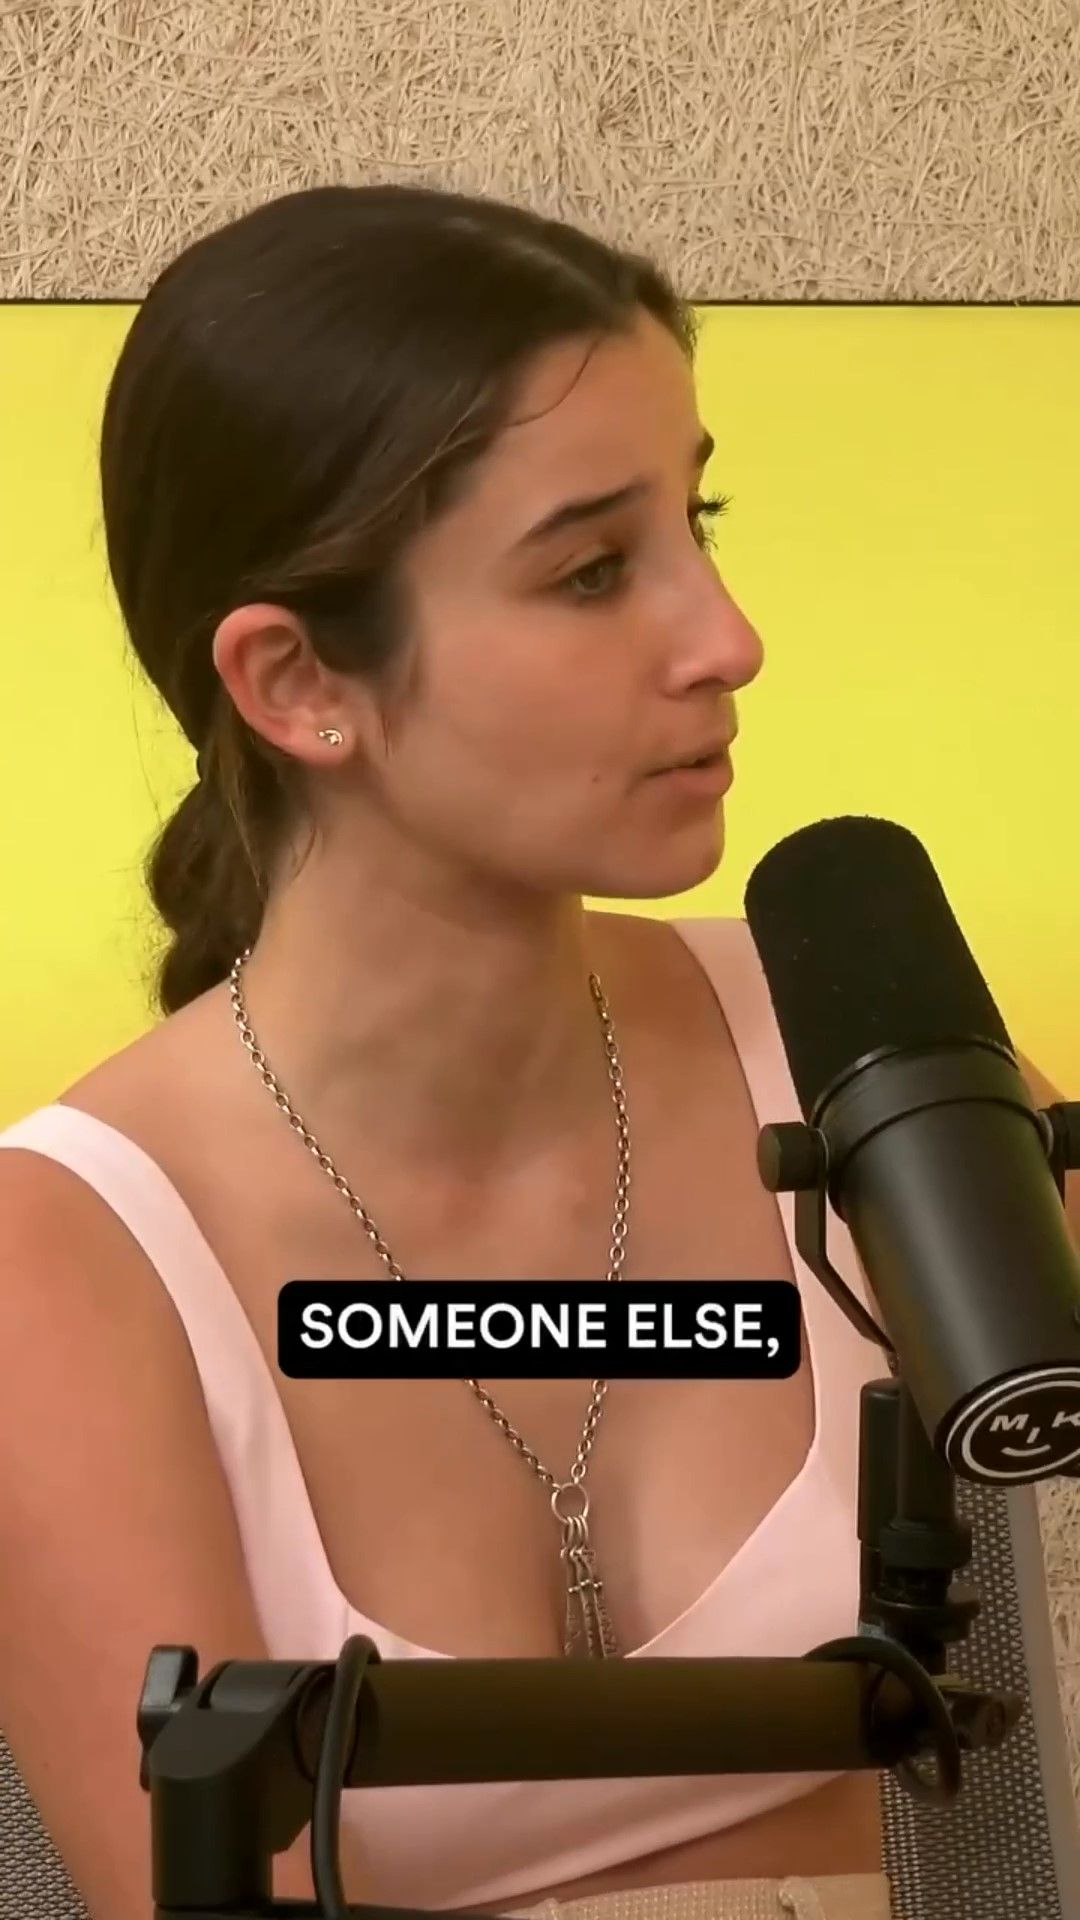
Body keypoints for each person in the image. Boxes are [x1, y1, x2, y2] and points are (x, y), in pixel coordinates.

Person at [0, 184, 1074, 1920]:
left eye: (698, 521)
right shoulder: (68, 1254)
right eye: (591, 571)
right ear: (296, 682)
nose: (728, 641)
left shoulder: (852, 1039)